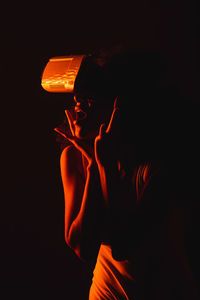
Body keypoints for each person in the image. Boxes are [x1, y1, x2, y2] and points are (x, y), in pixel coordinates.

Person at [55, 50, 199, 299]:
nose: (78, 101)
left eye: (91, 95)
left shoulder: (158, 168)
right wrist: (92, 165)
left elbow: (123, 245)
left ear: (120, 105)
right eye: (79, 94)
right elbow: (82, 246)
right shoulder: (75, 158)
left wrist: (104, 166)